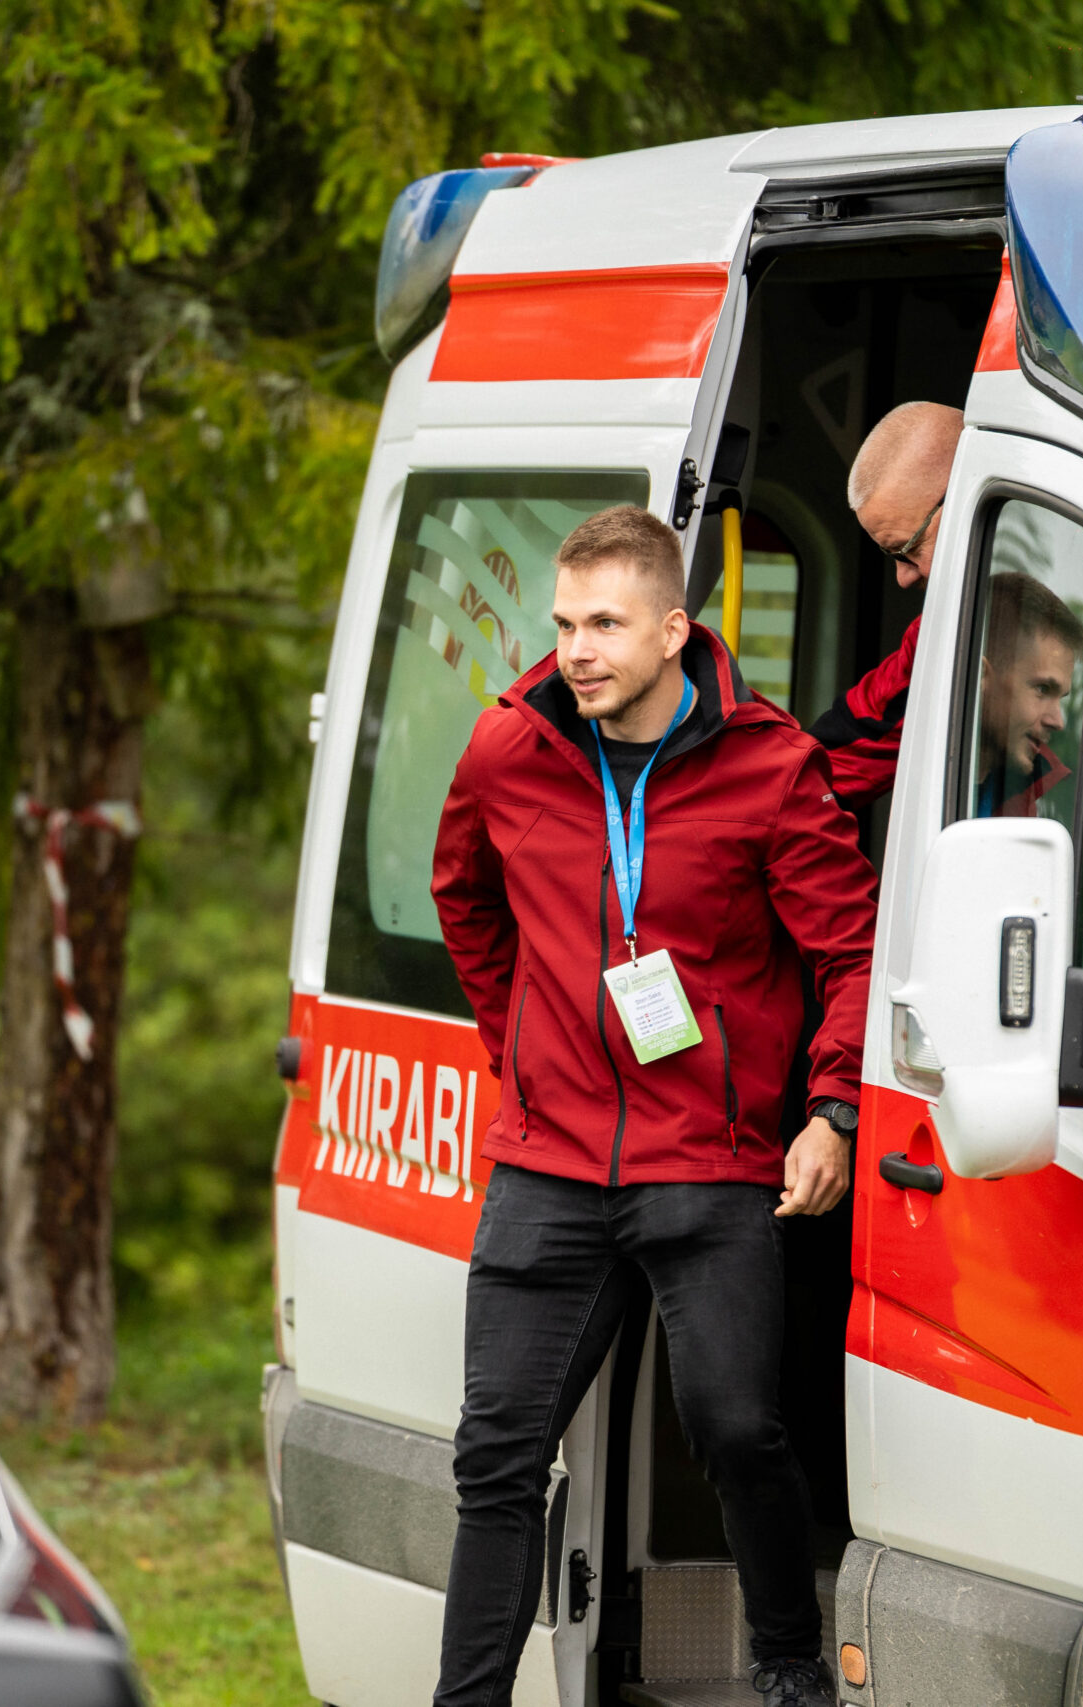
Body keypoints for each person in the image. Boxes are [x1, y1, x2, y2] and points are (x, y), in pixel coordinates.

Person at [431, 505, 877, 1707]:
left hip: (709, 1161)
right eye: (564, 624)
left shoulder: (770, 767)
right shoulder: (507, 747)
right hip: (548, 1163)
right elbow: (463, 898)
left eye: (606, 625)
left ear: (675, 630)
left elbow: (850, 952)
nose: (577, 651)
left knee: (736, 1431)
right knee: (495, 1458)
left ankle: (786, 1666)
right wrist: (521, 1045)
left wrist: (831, 1110)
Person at [811, 400, 963, 807]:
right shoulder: (934, 641)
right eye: (891, 556)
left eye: (908, 549)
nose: (903, 577)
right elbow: (838, 756)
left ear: (965, 505)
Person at [971, 570, 1083, 818]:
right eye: (1042, 689)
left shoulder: (1021, 795)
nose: (1058, 721)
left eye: (1061, 698)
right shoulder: (906, 765)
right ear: (981, 676)